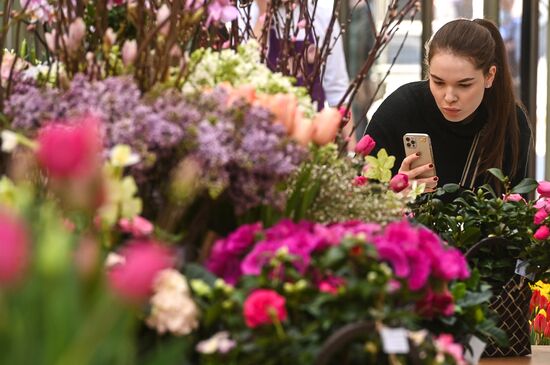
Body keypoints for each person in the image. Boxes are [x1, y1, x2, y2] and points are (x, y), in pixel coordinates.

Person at [364, 18, 532, 193]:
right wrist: (394, 198)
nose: (449, 97)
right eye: (438, 82)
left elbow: (516, 208)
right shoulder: (401, 108)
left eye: (464, 85)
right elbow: (355, 196)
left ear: (489, 76)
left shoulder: (510, 121)